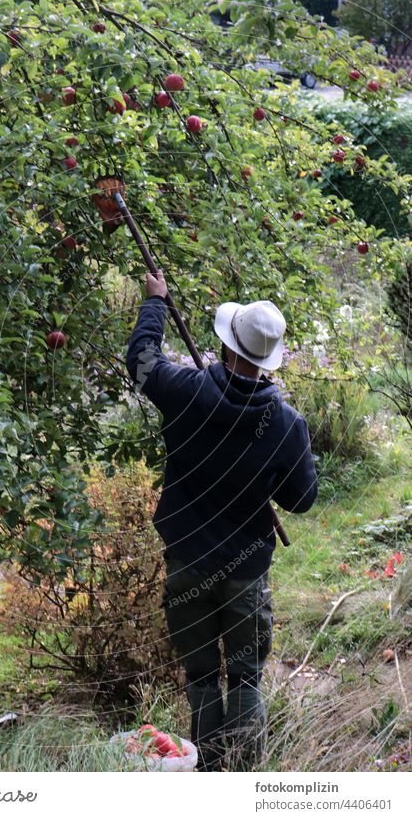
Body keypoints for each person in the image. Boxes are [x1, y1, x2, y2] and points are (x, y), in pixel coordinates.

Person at [126, 270, 317, 771]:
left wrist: (157, 303)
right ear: (266, 358)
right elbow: (302, 500)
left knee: (204, 678)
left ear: (228, 346)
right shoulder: (286, 425)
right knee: (247, 678)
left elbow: (142, 360)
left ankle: (208, 774)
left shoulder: (185, 390)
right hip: (246, 572)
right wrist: (264, 474)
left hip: (187, 561)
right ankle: (245, 781)